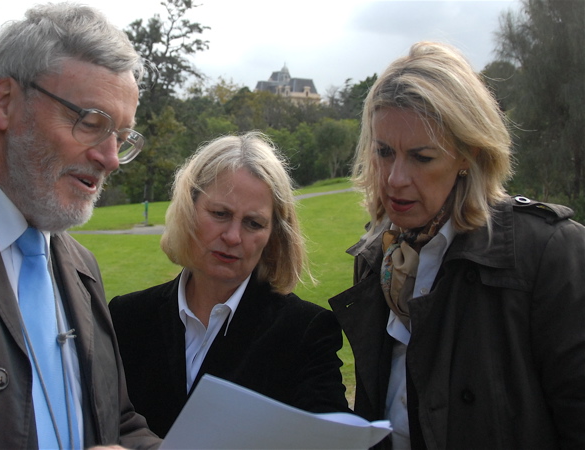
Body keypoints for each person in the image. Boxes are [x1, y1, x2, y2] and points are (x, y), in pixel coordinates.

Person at [329, 41, 585, 449]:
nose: (395, 178)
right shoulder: (377, 258)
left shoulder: (550, 253)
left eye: (422, 157)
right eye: (383, 152)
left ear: (468, 153)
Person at [0, 3, 162, 449]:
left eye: (121, 137)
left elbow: (117, 423)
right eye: (90, 122)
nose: (111, 159)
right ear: (4, 102)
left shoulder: (82, 269)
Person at [109, 132, 350, 438]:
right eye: (220, 214)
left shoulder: (306, 331)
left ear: (273, 234)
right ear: (188, 209)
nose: (233, 237)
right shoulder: (127, 317)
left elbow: (332, 439)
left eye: (253, 223)